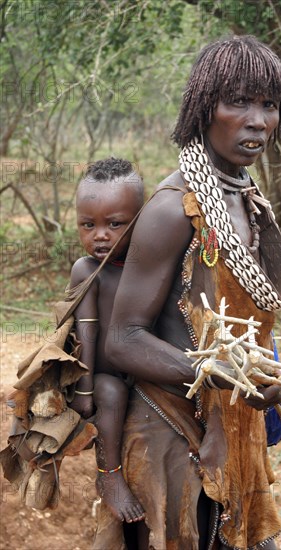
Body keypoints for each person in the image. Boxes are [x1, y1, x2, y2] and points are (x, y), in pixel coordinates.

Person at [93, 37, 281, 550]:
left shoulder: (248, 200)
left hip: (236, 425)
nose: (258, 120)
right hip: (172, 436)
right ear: (203, 108)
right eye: (237, 101)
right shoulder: (174, 210)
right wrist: (212, 373)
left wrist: (279, 390)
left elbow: (245, 324)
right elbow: (123, 339)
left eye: (268, 105)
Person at [69, 157, 145, 524]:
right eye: (89, 225)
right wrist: (84, 392)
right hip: (96, 376)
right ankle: (109, 477)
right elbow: (85, 332)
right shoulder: (86, 271)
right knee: (111, 393)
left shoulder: (147, 267)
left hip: (140, 370)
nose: (100, 235)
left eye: (115, 224)